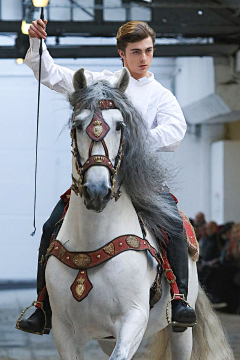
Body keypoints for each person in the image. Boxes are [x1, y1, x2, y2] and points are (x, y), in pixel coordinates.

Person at [17, 19, 196, 334]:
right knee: (50, 226)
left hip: (143, 181)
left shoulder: (161, 94)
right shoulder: (99, 82)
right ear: (121, 54)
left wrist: (132, 140)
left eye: (149, 51)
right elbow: (51, 74)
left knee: (175, 226)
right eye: (136, 52)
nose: (144, 58)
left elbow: (175, 130)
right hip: (98, 176)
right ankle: (42, 306)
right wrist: (36, 43)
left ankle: (179, 299)